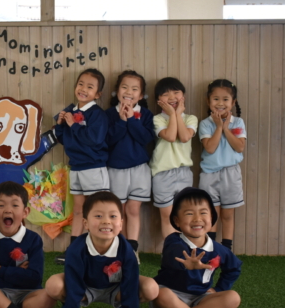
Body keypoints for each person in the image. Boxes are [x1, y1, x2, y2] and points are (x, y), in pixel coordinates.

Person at [45, 191, 159, 308]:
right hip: (85, 289)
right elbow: (74, 285)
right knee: (53, 285)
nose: (106, 221)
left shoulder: (126, 250)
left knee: (151, 288)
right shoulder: (76, 249)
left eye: (113, 216)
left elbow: (130, 287)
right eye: (98, 216)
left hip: (116, 289)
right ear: (85, 223)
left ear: (121, 223)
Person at [150, 187, 245, 308]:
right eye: (189, 213)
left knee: (233, 298)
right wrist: (185, 263)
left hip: (201, 297)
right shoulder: (173, 241)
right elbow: (172, 255)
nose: (197, 219)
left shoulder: (219, 249)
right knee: (162, 295)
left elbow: (234, 268)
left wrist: (219, 289)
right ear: (177, 220)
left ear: (212, 218)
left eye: (203, 213)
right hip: (173, 295)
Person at [54, 68, 109, 264]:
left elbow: (94, 139)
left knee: (97, 211)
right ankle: (74, 250)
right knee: (78, 210)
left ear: (98, 94)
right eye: (81, 84)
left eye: (90, 87)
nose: (83, 89)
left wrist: (74, 125)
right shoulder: (70, 111)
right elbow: (63, 139)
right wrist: (61, 124)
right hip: (76, 167)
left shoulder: (97, 114)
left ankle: (99, 249)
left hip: (93, 167)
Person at [105, 70, 155, 261]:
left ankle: (132, 249)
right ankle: (119, 249)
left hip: (139, 170)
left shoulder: (146, 115)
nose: (128, 92)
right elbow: (107, 140)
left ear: (141, 95)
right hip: (115, 170)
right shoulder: (109, 114)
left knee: (133, 210)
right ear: (117, 91)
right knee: (118, 212)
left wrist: (132, 119)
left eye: (134, 89)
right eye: (124, 87)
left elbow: (145, 138)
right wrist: (121, 120)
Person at [149, 77, 198, 248]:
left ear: (183, 96)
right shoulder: (157, 119)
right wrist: (172, 114)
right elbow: (170, 136)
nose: (171, 97)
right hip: (162, 174)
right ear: (158, 100)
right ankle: (171, 252)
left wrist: (177, 114)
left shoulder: (191, 118)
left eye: (176, 92)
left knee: (185, 215)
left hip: (184, 173)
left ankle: (185, 251)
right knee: (167, 216)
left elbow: (184, 137)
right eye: (165, 94)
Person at [198, 79, 246, 250]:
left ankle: (227, 250)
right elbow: (210, 148)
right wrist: (218, 127)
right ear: (208, 101)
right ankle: (209, 250)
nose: (220, 103)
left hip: (231, 174)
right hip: (209, 175)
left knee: (228, 214)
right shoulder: (205, 124)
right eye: (216, 99)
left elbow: (240, 147)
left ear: (233, 102)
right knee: (210, 215)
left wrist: (226, 128)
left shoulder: (237, 123)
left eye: (225, 99)